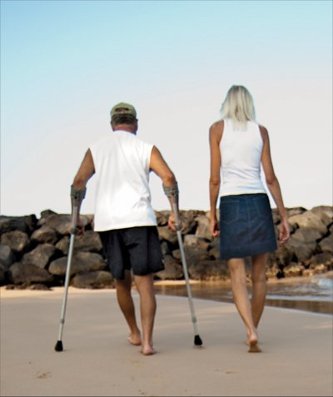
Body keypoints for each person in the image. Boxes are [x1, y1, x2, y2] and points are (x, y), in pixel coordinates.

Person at [70, 102, 179, 356]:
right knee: (145, 283)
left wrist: (75, 217)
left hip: (109, 223)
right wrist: (174, 211)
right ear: (136, 123)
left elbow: (78, 182)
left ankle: (134, 332)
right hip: (140, 219)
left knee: (121, 281)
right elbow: (169, 178)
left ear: (112, 124)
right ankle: (148, 343)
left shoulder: (96, 149)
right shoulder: (145, 147)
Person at [209, 85, 290, 353]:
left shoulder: (217, 129)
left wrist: (212, 214)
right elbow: (270, 177)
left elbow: (214, 178)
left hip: (231, 203)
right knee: (259, 276)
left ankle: (250, 330)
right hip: (258, 202)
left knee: (236, 273)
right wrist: (284, 216)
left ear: (227, 104)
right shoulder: (261, 131)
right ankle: (253, 330)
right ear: (248, 103)